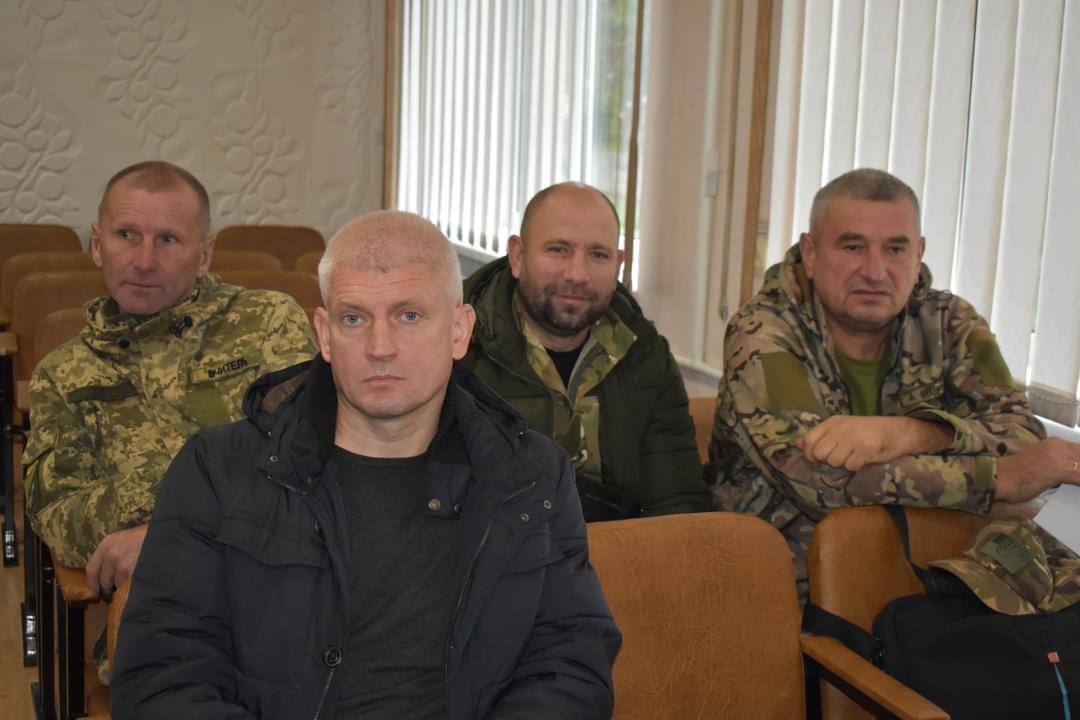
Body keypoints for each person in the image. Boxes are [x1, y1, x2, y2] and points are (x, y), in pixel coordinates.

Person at [110, 210, 621, 719]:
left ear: (459, 331)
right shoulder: (218, 471)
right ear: (324, 334)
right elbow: (161, 677)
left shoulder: (530, 475)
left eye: (409, 316)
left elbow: (570, 663)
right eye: (354, 319)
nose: (380, 348)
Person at [710, 167, 1080, 597]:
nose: (874, 271)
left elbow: (1021, 435)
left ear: (918, 254)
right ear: (810, 253)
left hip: (923, 572)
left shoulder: (950, 322)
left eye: (895, 249)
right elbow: (814, 477)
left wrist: (914, 432)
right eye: (852, 246)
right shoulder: (763, 333)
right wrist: (996, 478)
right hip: (781, 585)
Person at [23, 160, 317, 600]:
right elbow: (61, 522)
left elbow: (305, 462)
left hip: (278, 582)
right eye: (127, 235)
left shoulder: (266, 323)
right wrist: (217, 481)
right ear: (97, 246)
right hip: (159, 607)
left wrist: (166, 535)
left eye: (168, 239)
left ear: (204, 256)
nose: (144, 261)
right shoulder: (62, 374)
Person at [460, 182, 709, 521]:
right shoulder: (457, 348)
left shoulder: (646, 356)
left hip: (619, 550)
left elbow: (677, 504)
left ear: (618, 266)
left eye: (597, 255)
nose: (577, 274)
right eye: (558, 250)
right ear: (517, 257)